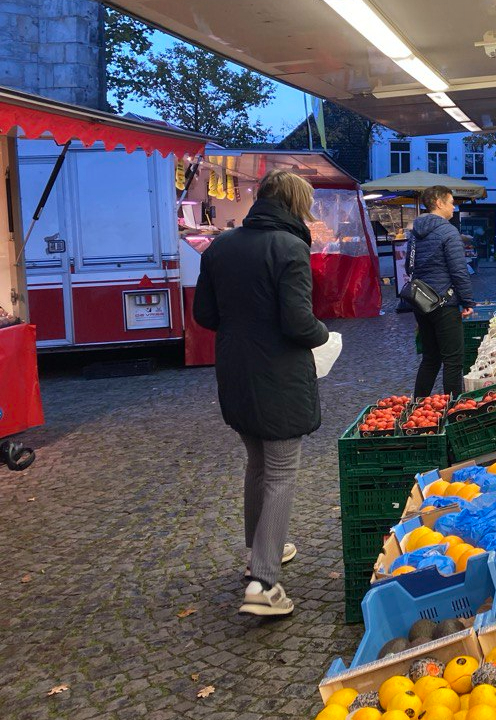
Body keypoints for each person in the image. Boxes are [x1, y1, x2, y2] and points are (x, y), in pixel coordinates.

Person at [193, 169, 330, 616]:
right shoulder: (290, 248)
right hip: (279, 374)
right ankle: (263, 584)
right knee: (281, 472)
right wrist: (323, 332)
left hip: (235, 369)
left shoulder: (221, 246)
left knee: (256, 463)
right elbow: (298, 323)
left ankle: (260, 554)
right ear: (295, 205)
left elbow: (205, 314)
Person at [408, 185, 475, 397]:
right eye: (451, 203)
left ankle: (418, 405)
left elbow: (409, 267)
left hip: (422, 302)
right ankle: (453, 409)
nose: (453, 208)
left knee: (430, 358)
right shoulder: (448, 231)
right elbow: (458, 269)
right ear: (439, 203)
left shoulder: (415, 231)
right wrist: (468, 301)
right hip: (445, 302)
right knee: (453, 360)